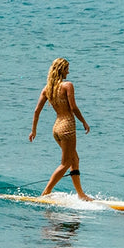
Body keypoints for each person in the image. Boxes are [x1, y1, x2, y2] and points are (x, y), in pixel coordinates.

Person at [29, 57, 92, 199]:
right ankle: (46, 192)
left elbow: (36, 111)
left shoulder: (47, 89)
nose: (68, 72)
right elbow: (73, 107)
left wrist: (34, 130)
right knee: (66, 163)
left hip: (56, 128)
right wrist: (84, 122)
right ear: (61, 70)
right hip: (67, 127)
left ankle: (81, 195)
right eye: (66, 69)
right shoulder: (67, 86)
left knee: (74, 159)